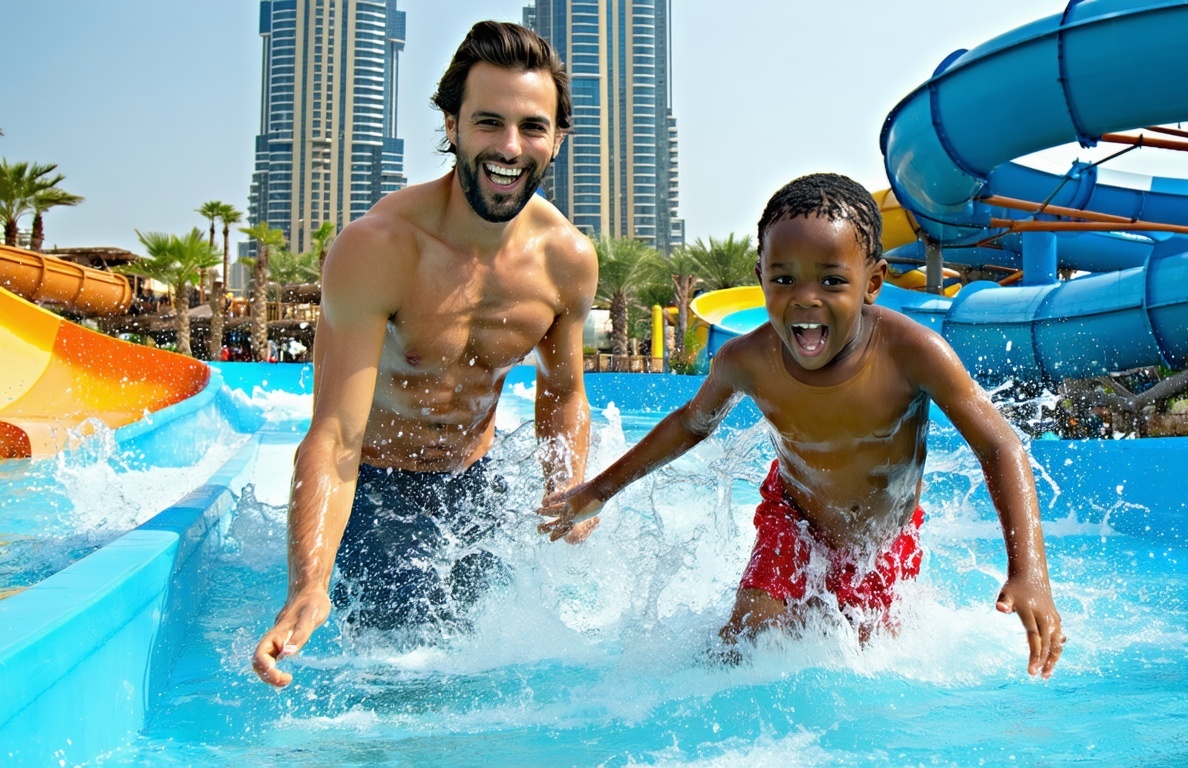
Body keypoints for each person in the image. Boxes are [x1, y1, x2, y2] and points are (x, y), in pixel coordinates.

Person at [539, 173, 1065, 677]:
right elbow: (691, 424)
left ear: (873, 283)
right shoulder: (747, 360)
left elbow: (999, 445)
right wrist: (598, 490)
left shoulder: (913, 352)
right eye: (784, 279)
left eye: (832, 281)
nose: (805, 297)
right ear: (761, 278)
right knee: (745, 644)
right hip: (794, 521)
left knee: (869, 662)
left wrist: (1029, 572)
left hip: (881, 541)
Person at [253, 21, 599, 688]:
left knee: (491, 666)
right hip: (375, 487)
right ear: (452, 126)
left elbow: (563, 393)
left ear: (557, 139)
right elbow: (335, 435)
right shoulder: (380, 248)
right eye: (488, 122)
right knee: (399, 676)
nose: (509, 147)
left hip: (475, 486)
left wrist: (566, 485)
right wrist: (309, 583)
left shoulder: (567, 260)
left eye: (532, 127)